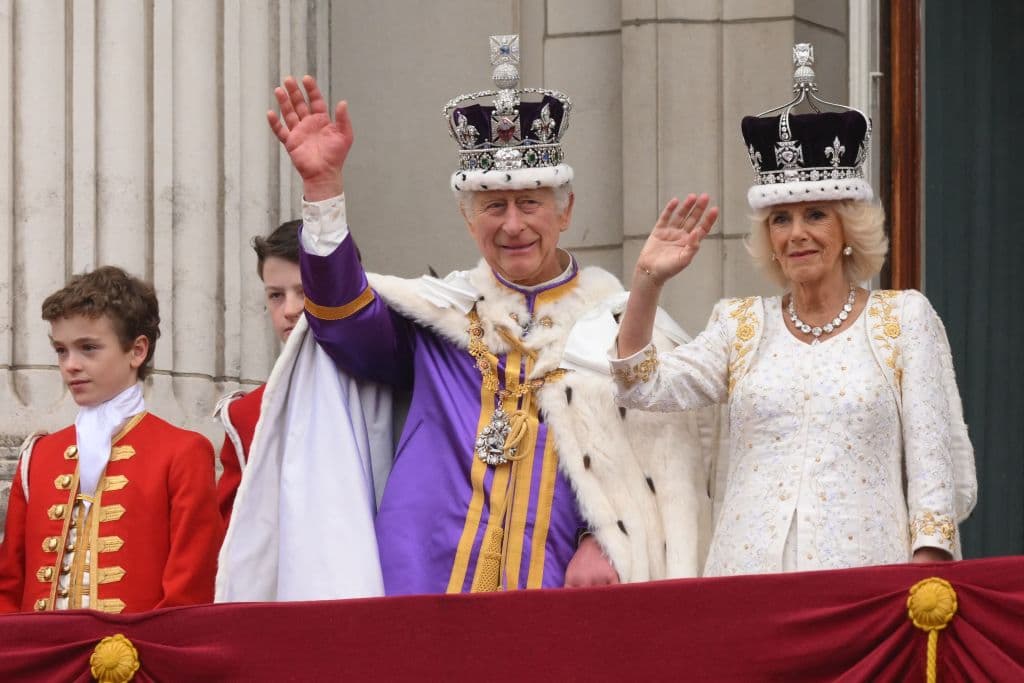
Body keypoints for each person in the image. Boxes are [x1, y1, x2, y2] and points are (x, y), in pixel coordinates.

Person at [252, 35, 715, 595]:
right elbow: (344, 321)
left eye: (530, 203)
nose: (513, 225)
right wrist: (322, 189)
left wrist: (610, 538)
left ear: (565, 211)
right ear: (469, 219)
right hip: (422, 585)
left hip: (554, 591)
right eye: (494, 206)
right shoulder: (438, 319)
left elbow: (658, 469)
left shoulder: (617, 326)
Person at [610, 44, 977, 576]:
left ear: (848, 229)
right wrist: (648, 280)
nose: (797, 233)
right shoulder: (739, 326)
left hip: (867, 583)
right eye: (780, 219)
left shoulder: (902, 320)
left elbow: (934, 471)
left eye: (815, 214)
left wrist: (924, 577)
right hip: (748, 582)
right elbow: (639, 385)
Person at [0, 266, 222, 613]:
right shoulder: (39, 456)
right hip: (45, 662)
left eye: (88, 348)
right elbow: (9, 587)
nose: (70, 364)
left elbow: (189, 592)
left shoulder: (182, 452)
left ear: (137, 351)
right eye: (61, 350)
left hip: (138, 661)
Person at [215, 220, 304, 524]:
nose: (290, 310)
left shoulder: (385, 388)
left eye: (305, 292)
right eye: (276, 295)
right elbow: (231, 538)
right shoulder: (246, 414)